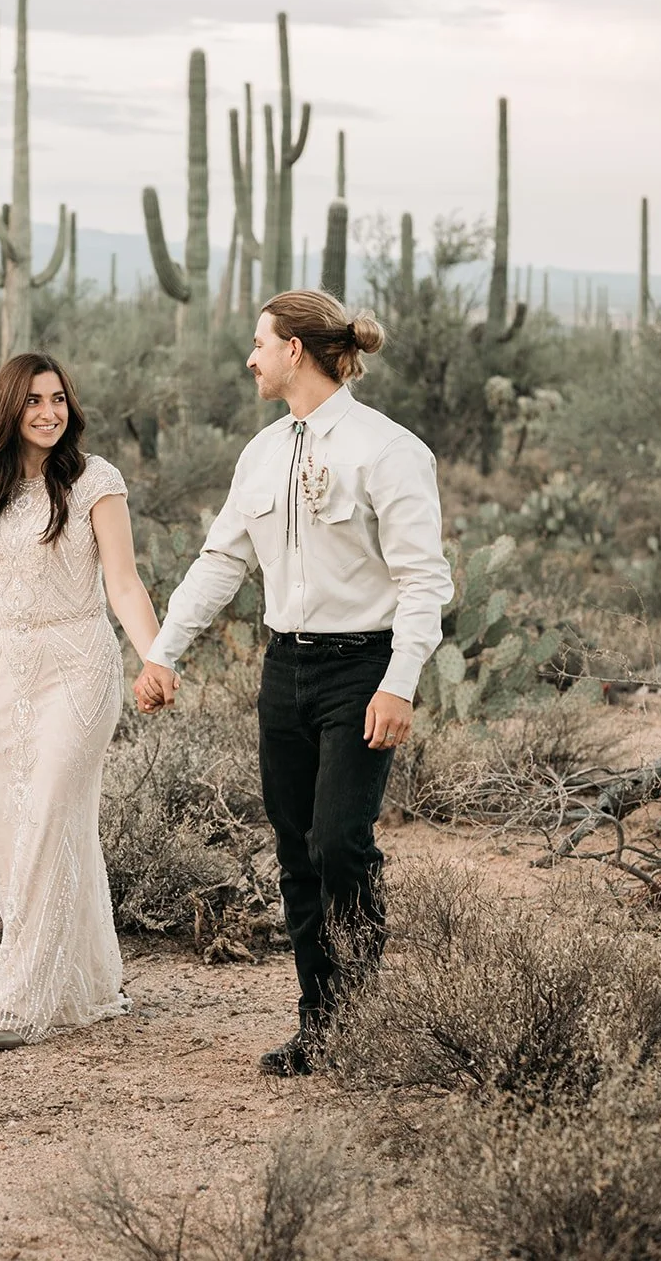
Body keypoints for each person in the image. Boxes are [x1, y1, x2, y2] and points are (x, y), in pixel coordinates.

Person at [134, 291, 453, 1077]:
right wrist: (163, 653)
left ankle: (365, 1018)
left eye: (258, 343)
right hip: (286, 670)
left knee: (340, 843)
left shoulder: (388, 450)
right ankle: (321, 1025)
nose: (249, 358)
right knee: (294, 852)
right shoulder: (262, 453)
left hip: (362, 670)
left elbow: (422, 579)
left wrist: (399, 683)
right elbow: (221, 562)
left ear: (295, 352)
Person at [0, 352, 172, 1051]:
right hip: (8, 673)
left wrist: (155, 655)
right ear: (7, 409)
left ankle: (19, 1001)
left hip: (79, 665)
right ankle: (87, 985)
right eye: (33, 400)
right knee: (15, 832)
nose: (48, 412)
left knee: (47, 815)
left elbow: (123, 584)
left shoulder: (96, 480)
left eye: (58, 399)